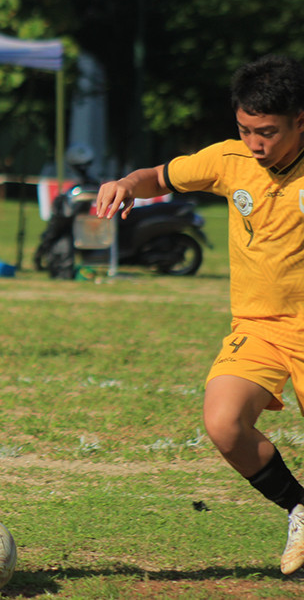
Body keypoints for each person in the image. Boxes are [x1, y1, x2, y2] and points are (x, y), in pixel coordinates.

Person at [96, 53, 304, 575]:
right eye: (245, 129)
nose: (256, 143)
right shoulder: (230, 160)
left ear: (301, 120)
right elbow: (158, 176)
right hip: (257, 327)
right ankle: (300, 509)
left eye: (268, 132)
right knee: (224, 422)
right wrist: (126, 185)